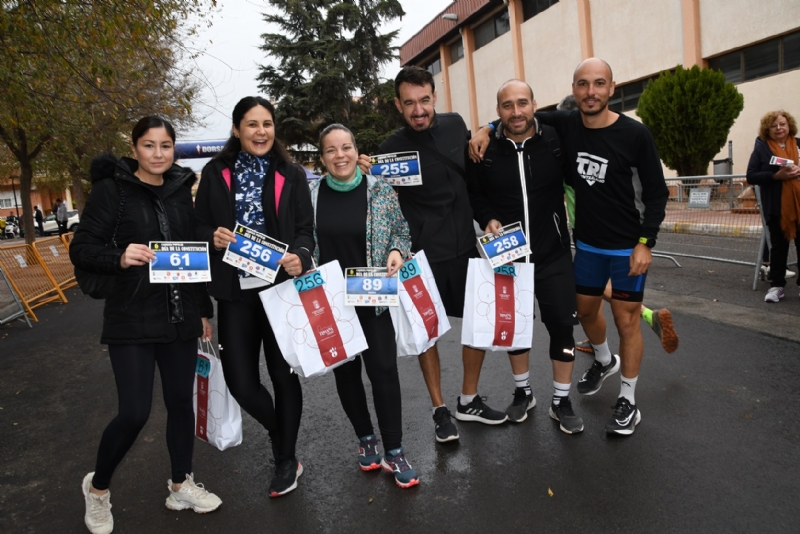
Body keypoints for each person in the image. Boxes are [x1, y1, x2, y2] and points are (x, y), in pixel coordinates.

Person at [471, 58, 669, 435]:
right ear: (574, 89)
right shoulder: (563, 124)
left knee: (626, 320)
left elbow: (657, 193)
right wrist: (485, 128)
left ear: (612, 88)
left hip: (626, 247)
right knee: (585, 311)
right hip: (586, 247)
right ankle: (603, 359)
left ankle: (627, 399)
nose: (590, 92)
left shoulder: (635, 134)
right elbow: (516, 119)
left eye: (598, 84)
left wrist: (646, 242)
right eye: (582, 84)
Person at [70, 117, 222, 534]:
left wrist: (202, 310)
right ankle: (97, 490)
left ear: (174, 149)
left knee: (180, 405)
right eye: (149, 145)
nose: (158, 154)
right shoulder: (111, 191)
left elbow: (191, 258)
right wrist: (119, 256)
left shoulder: (179, 192)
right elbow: (82, 248)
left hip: (178, 318)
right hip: (131, 318)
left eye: (166, 145)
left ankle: (180, 484)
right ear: (134, 148)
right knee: (134, 413)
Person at [377, 66, 508, 444]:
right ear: (398, 105)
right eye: (409, 103)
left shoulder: (455, 126)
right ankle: (439, 410)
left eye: (424, 100)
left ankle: (468, 399)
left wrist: (485, 128)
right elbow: (382, 206)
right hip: (422, 258)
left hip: (466, 248)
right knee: (426, 336)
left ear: (434, 96)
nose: (418, 110)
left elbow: (477, 166)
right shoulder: (388, 151)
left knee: (479, 323)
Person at [194, 96, 313, 497]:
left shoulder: (290, 174)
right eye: (251, 124)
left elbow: (305, 230)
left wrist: (301, 256)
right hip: (235, 295)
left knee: (283, 375)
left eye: (267, 123)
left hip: (279, 292)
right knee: (241, 383)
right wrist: (211, 237)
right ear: (236, 130)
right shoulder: (215, 172)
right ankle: (281, 432)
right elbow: (198, 225)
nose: (261, 132)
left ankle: (285, 458)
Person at [467, 80, 583, 433]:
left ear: (534, 104)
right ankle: (524, 393)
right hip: (508, 256)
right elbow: (476, 195)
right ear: (498, 110)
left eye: (522, 103)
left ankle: (561, 400)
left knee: (562, 326)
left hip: (554, 252)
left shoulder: (554, 138)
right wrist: (486, 218)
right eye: (506, 106)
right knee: (515, 330)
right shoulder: (482, 150)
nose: (515, 112)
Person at [310, 123, 419, 488]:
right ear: (322, 157)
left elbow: (401, 231)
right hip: (332, 300)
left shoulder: (380, 191)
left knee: (384, 370)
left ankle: (395, 450)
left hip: (372, 294)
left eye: (346, 147)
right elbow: (302, 240)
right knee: (346, 373)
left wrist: (395, 251)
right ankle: (365, 438)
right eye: (331, 150)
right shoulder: (310, 196)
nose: (340, 155)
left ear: (357, 151)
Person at [556, 95, 679, 356]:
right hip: (588, 231)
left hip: (598, 232)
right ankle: (633, 320)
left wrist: (646, 241)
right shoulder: (573, 148)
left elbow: (653, 192)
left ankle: (642, 315)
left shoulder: (618, 139)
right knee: (595, 294)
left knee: (596, 291)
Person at [746, 110, 800, 303]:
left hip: (799, 204)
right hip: (776, 206)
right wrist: (776, 176)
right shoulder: (762, 149)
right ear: (767, 129)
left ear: (789, 125)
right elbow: (751, 175)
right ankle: (777, 286)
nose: (779, 128)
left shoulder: (798, 144)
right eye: (774, 125)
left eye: (782, 124)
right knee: (778, 246)